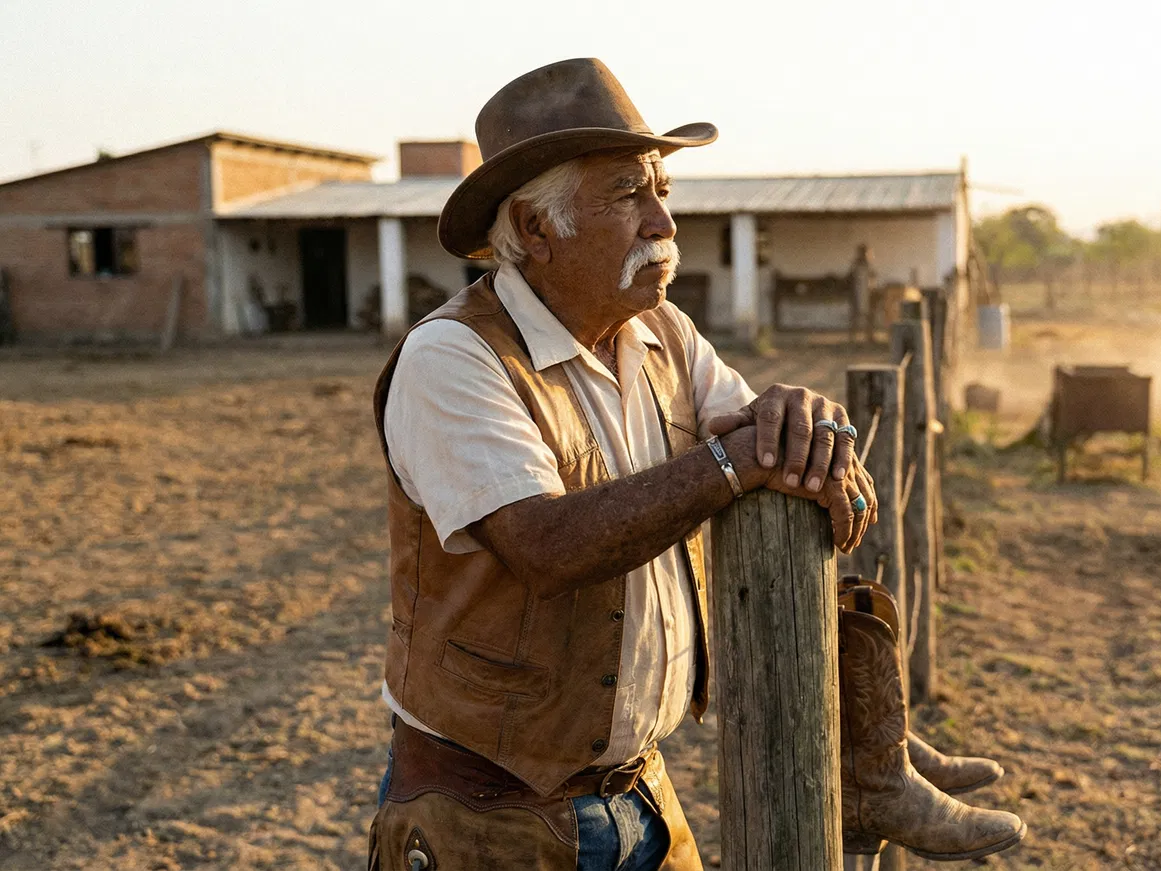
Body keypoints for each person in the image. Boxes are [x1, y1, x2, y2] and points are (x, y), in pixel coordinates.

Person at [367, 58, 1023, 870]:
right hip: (486, 821)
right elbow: (544, 544)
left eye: (661, 193)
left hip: (642, 794)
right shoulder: (454, 356)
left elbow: (761, 443)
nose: (662, 224)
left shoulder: (665, 335)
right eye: (625, 195)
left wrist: (805, 425)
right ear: (536, 231)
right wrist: (739, 456)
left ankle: (868, 762)